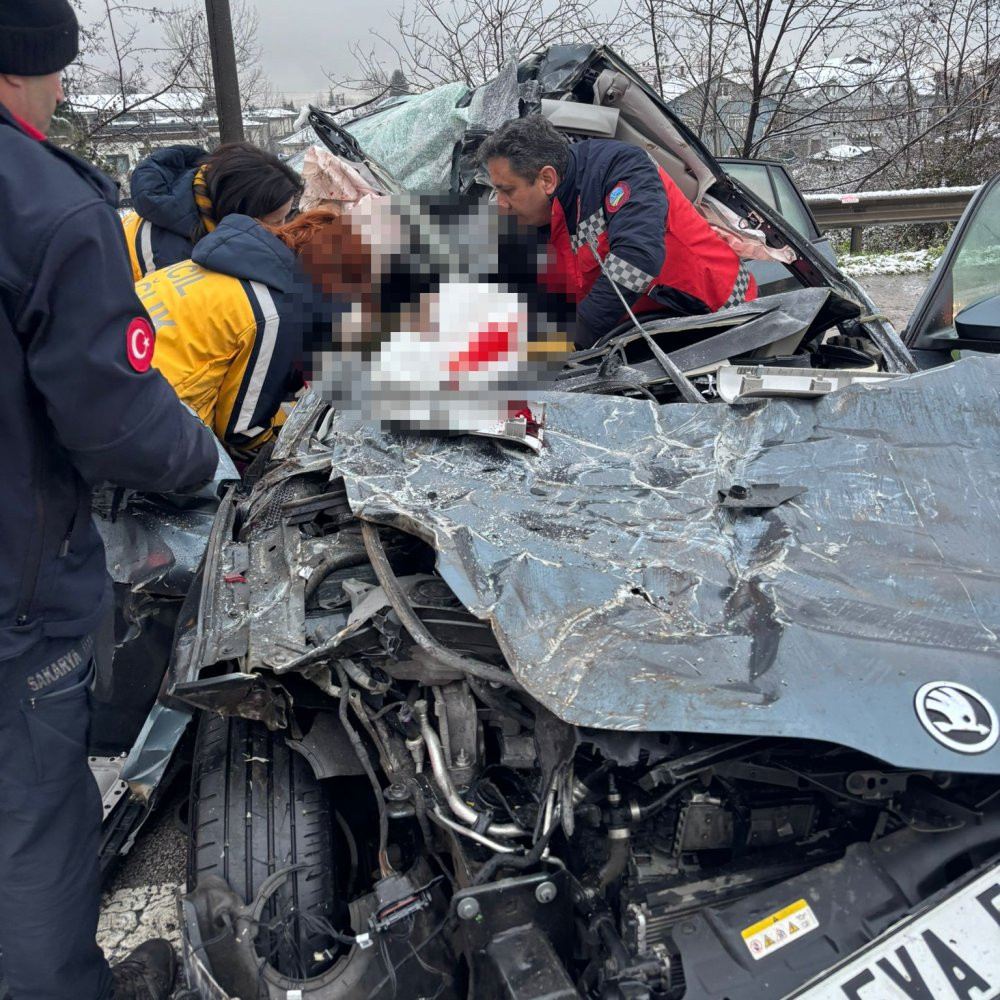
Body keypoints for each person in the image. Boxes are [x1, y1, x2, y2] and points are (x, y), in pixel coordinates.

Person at [0, 2, 219, 998]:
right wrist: (210, 469)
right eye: (56, 76)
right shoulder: (42, 203)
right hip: (12, 593)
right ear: (25, 67)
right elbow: (119, 419)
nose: (60, 97)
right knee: (35, 824)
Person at [480, 115, 756, 350]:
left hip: (722, 314)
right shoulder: (537, 215)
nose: (501, 204)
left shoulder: (620, 168)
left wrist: (572, 340)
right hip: (646, 327)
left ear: (547, 179)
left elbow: (637, 258)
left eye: (507, 190)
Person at [137, 209, 366, 455]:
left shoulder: (228, 259)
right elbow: (242, 432)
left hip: (111, 370)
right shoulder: (274, 314)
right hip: (140, 420)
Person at [121, 140, 304, 281]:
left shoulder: (197, 205)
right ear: (240, 213)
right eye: (276, 222)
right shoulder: (171, 255)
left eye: (285, 217)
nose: (283, 228)